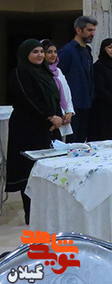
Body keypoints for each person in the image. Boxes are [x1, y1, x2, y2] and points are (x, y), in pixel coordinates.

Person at [7, 39, 62, 224]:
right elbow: (28, 99)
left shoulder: (45, 72)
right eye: (35, 52)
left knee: (50, 168)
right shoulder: (19, 73)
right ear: (26, 54)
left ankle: (48, 213)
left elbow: (55, 97)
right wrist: (49, 116)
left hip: (48, 128)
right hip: (27, 128)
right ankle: (32, 215)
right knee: (30, 170)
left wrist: (58, 116)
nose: (40, 55)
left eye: (41, 52)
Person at [58, 15, 97, 143]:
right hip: (73, 105)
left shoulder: (87, 51)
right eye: (89, 30)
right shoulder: (67, 51)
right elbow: (59, 78)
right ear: (78, 30)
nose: (92, 34)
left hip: (86, 102)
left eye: (93, 30)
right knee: (72, 141)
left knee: (82, 141)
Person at [42, 40, 74, 140]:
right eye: (49, 52)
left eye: (55, 52)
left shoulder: (58, 71)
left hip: (63, 116)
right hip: (50, 119)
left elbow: (66, 92)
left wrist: (69, 112)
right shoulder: (40, 72)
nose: (53, 55)